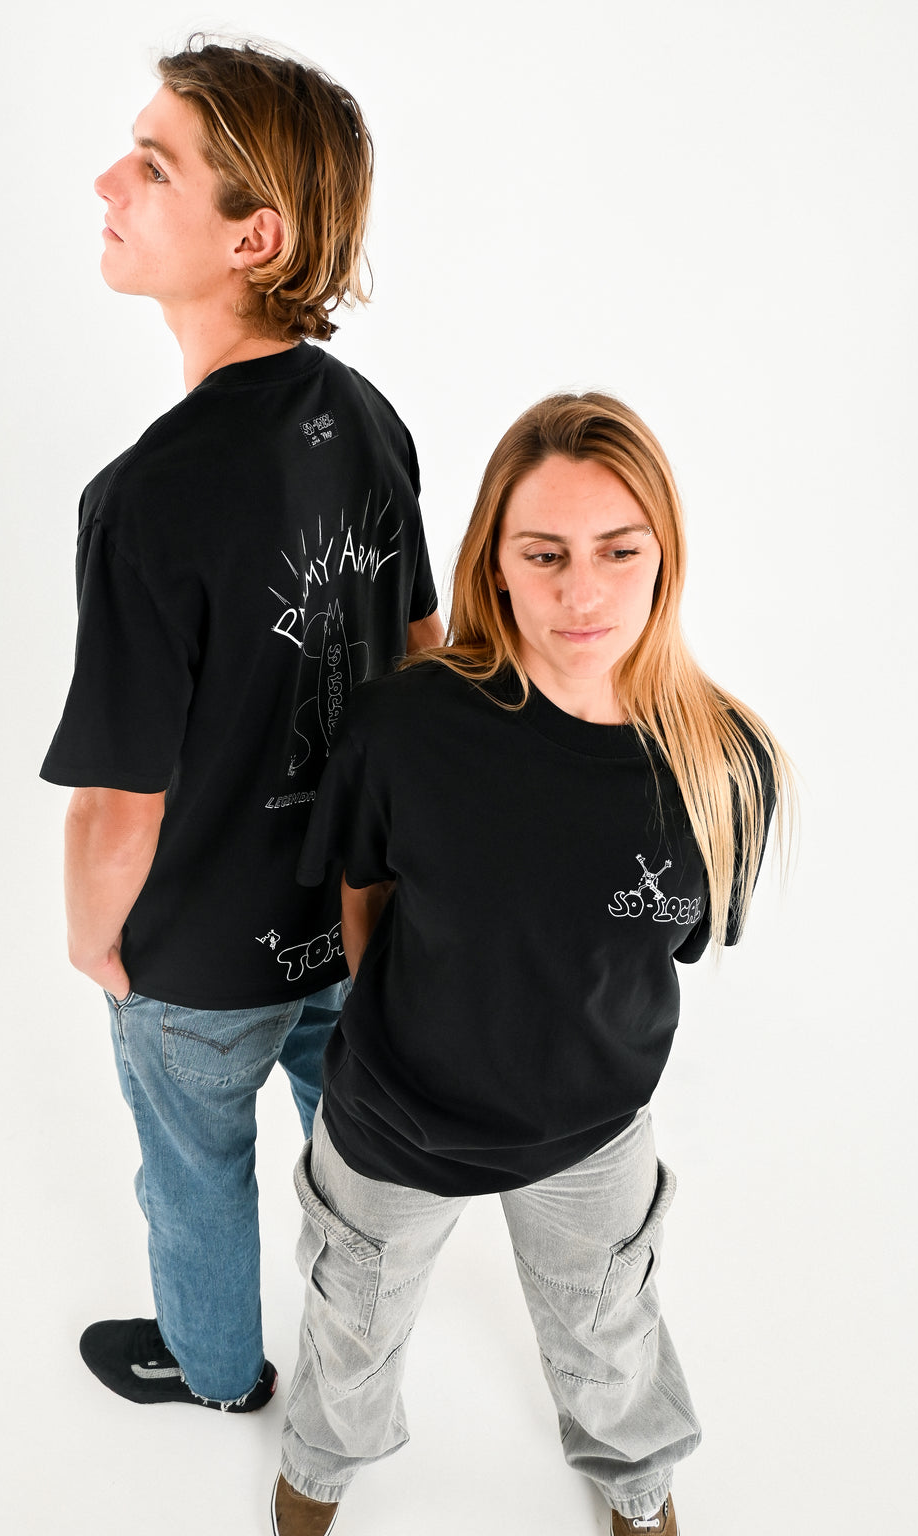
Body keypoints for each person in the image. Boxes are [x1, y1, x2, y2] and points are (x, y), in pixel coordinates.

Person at [270, 392, 793, 1535]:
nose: (580, 590)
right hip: (391, 1118)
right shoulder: (401, 728)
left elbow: (662, 949)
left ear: (666, 557)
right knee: (351, 1317)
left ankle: (637, 1482)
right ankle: (316, 1464)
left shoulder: (726, 768)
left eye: (618, 551)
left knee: (608, 1334)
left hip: (592, 1132)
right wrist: (411, 1027)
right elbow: (362, 897)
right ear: (494, 564)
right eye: (542, 553)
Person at [39, 39, 442, 1416]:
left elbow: (120, 798)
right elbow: (429, 656)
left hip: (198, 957)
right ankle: (366, 1369)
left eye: (153, 164)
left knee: (191, 1168)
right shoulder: (368, 420)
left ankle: (216, 1372)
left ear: (253, 235)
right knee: (359, 1151)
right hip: (353, 916)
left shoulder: (144, 500)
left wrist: (98, 937)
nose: (108, 179)